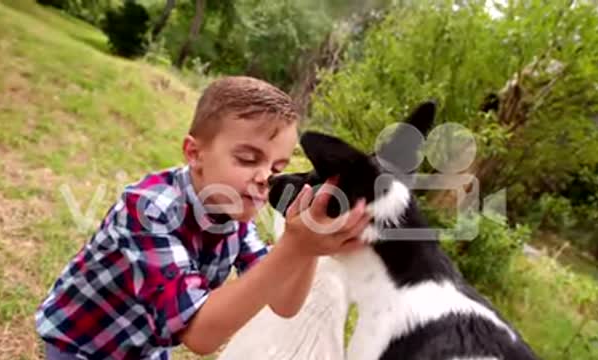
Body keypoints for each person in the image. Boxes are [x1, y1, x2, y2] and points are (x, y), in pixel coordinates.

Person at [35, 76, 371, 360]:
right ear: (194, 153)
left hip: (145, 345)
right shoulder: (148, 209)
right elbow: (200, 335)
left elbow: (284, 303)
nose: (265, 177)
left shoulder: (236, 219)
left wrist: (306, 247)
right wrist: (295, 247)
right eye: (247, 159)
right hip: (83, 343)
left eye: (277, 168)